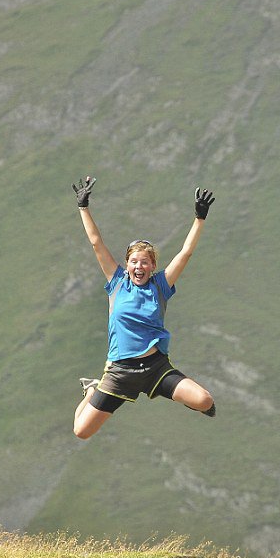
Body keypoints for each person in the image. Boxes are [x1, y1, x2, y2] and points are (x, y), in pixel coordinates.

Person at [71, 175, 217, 439]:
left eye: (145, 262)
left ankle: (171, 394)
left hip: (155, 368)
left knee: (205, 401)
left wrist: (199, 218)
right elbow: (96, 243)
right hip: (120, 372)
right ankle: (92, 389)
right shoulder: (117, 283)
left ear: (152, 266)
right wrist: (84, 208)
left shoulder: (160, 286)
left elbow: (185, 253)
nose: (139, 267)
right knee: (81, 431)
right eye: (134, 262)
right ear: (127, 265)